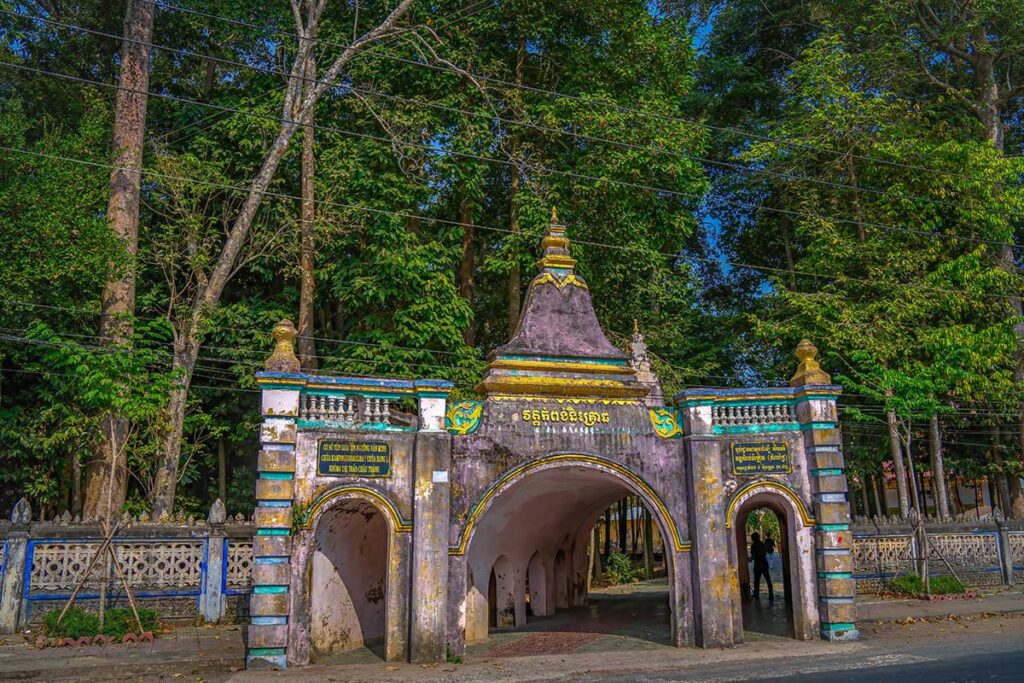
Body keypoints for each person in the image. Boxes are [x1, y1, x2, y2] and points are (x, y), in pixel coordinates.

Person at [749, 532, 774, 601]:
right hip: (764, 562)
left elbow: (753, 555)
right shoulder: (762, 544)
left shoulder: (753, 545)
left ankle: (756, 594)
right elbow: (766, 551)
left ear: (753, 538)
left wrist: (749, 559)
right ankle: (771, 595)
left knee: (757, 580)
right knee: (768, 579)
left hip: (758, 564)